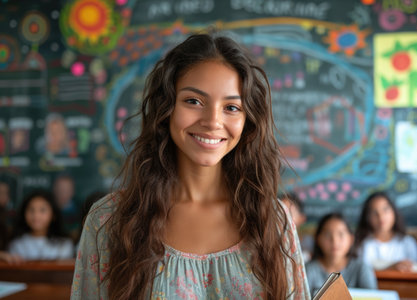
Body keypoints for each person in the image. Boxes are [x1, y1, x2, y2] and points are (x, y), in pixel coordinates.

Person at [71, 32, 310, 299]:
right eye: (193, 101)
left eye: (231, 107)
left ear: (248, 121)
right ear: (166, 107)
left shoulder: (273, 221)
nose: (212, 121)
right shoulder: (109, 221)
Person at [306, 213, 377, 296]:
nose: (334, 241)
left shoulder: (362, 268)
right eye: (327, 234)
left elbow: (373, 296)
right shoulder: (308, 270)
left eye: (341, 234)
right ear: (318, 239)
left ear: (351, 239)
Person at [355, 191, 417, 271]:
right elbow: (362, 273)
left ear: (394, 211)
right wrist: (391, 268)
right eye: (374, 212)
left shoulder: (408, 242)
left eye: (385, 209)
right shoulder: (363, 244)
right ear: (367, 218)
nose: (381, 216)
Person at [8, 189, 74, 260]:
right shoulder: (16, 245)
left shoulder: (64, 245)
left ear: (53, 215)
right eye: (31, 210)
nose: (36, 215)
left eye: (42, 210)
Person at [280, 191, 314, 262]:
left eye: (289, 214)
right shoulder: (270, 243)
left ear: (302, 219)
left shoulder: (310, 244)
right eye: (279, 213)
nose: (283, 219)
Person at [52, 174, 80, 240]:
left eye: (67, 190)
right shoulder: (46, 208)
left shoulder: (80, 210)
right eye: (60, 189)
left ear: (73, 191)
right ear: (54, 189)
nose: (63, 193)